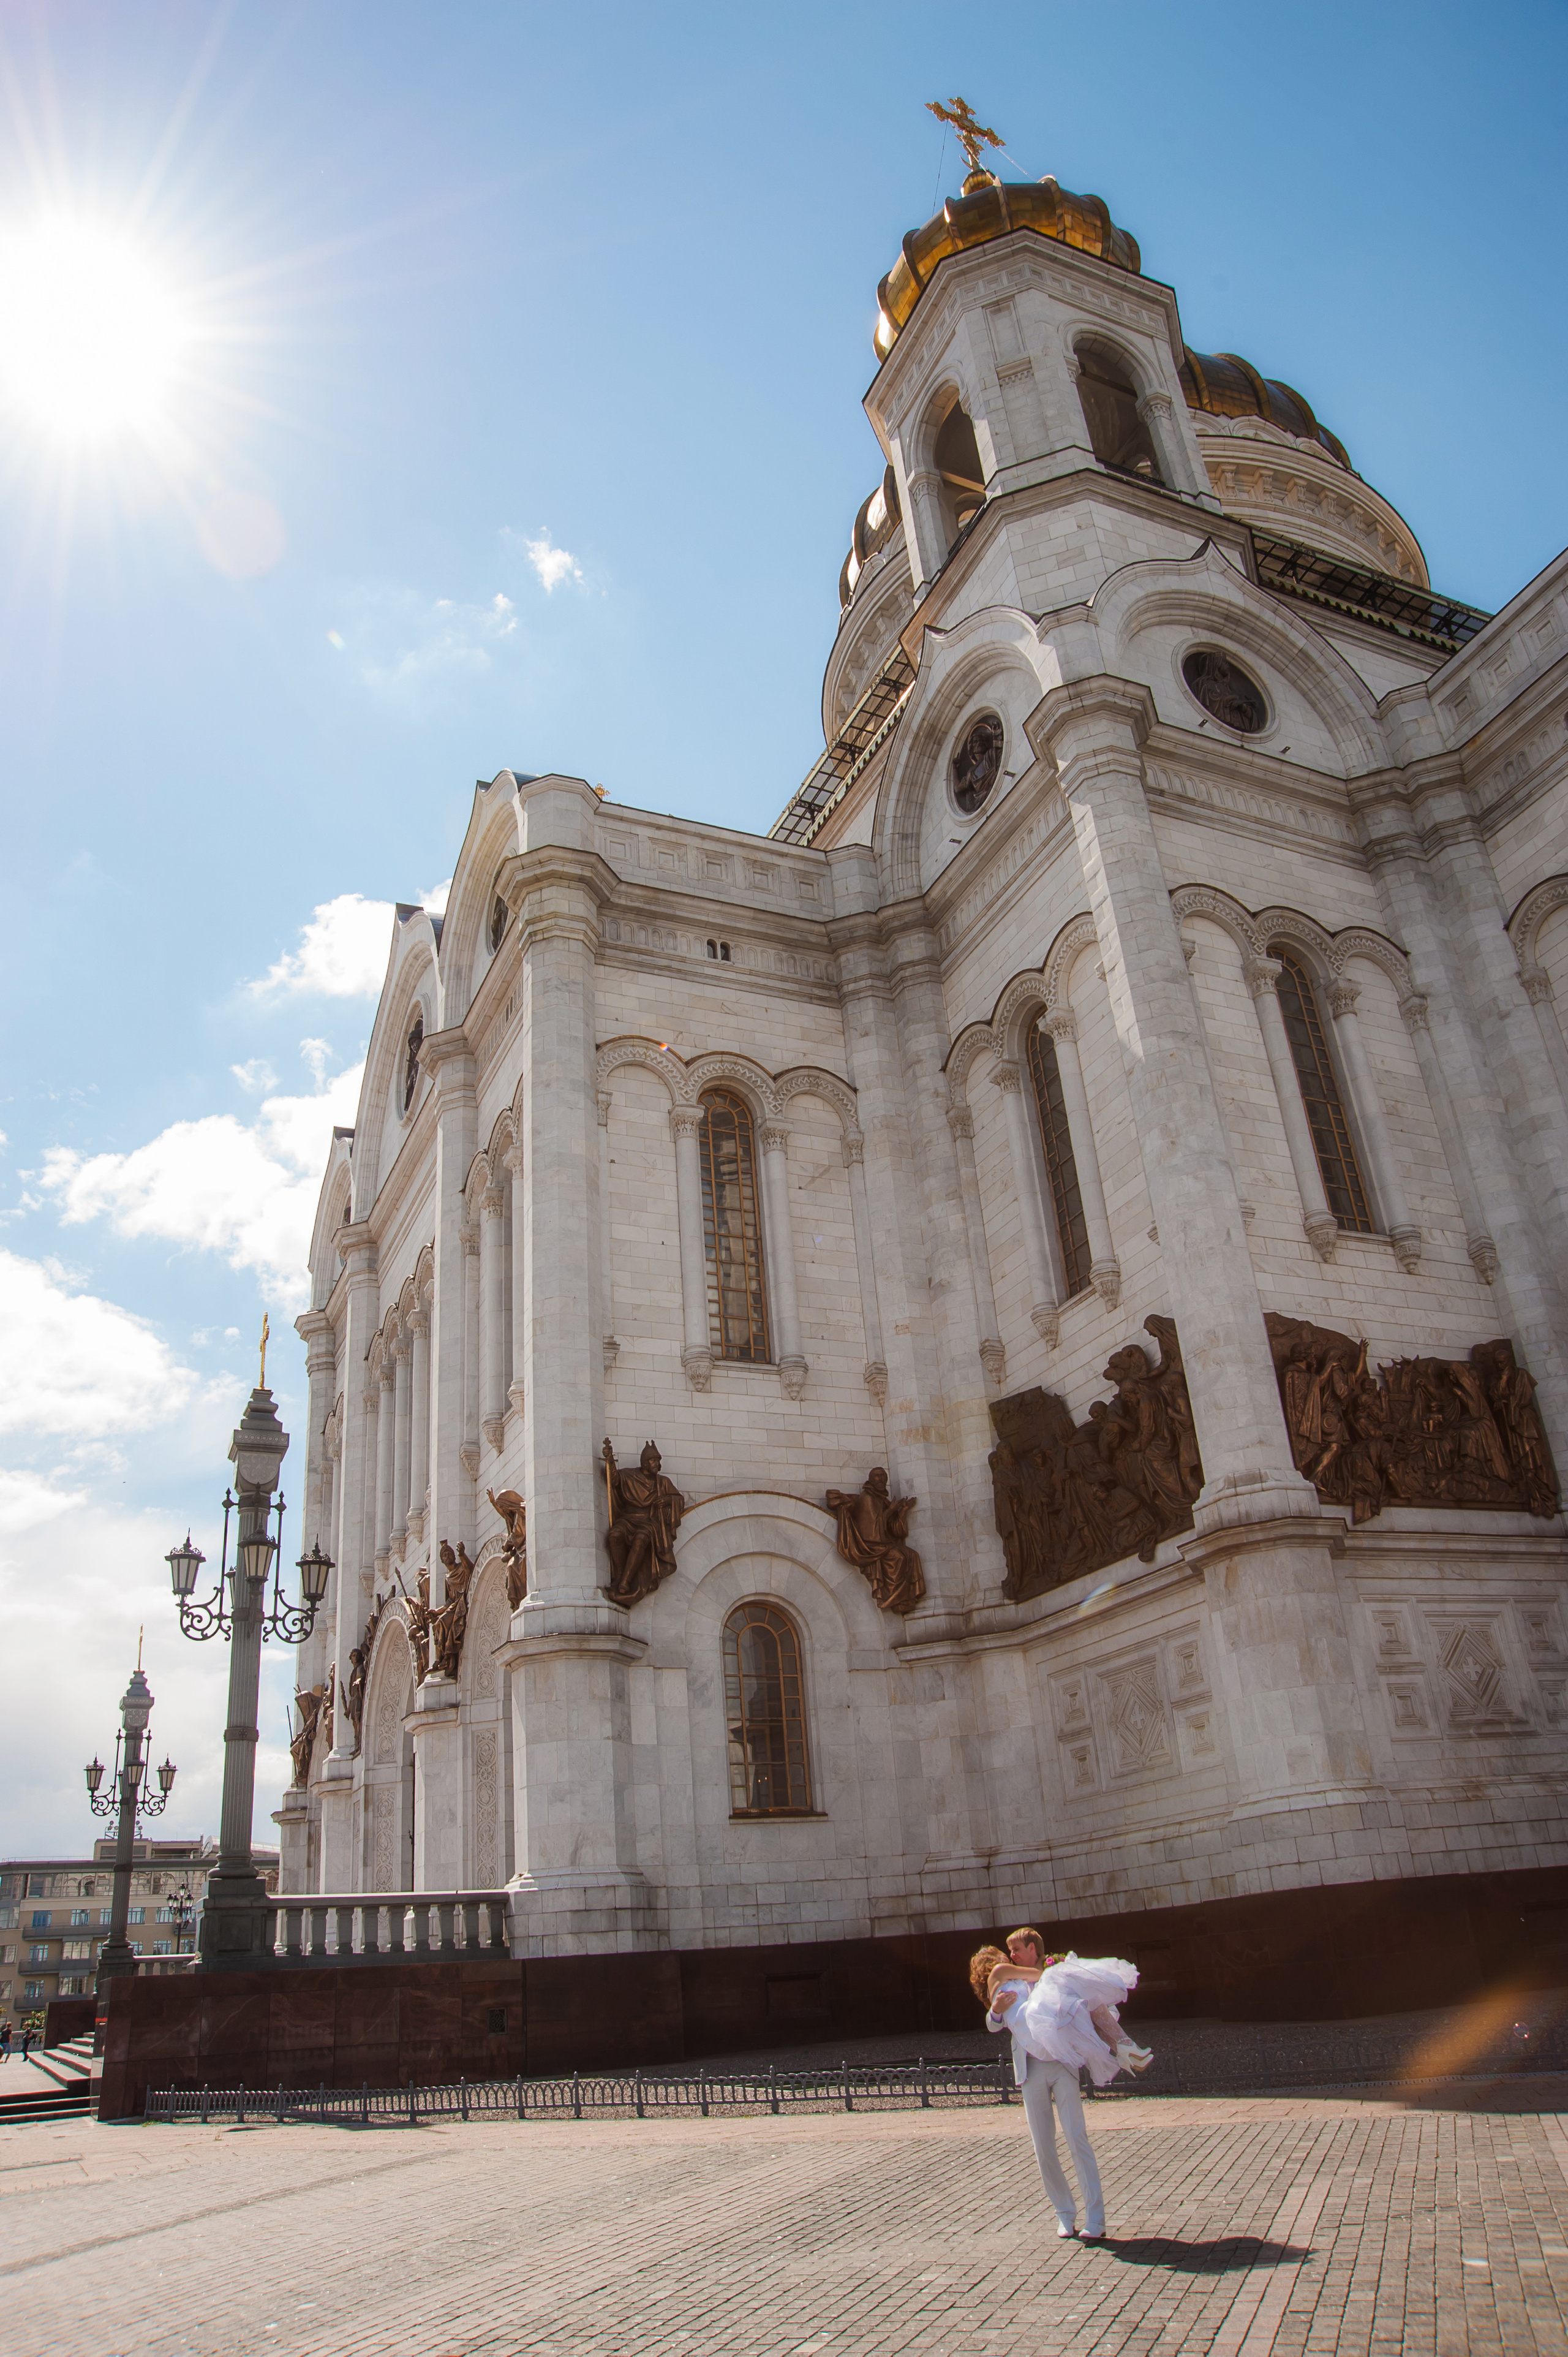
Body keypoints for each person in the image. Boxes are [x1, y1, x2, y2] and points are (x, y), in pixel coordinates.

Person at [971, 1926, 1152, 2243]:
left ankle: (1095, 2218)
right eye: (1004, 1953)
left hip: (1060, 2062)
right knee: (1044, 2147)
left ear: (1029, 1949)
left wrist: (1052, 1969)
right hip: (1031, 2069)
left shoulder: (1037, 1974)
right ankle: (1065, 2213)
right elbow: (993, 2022)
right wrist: (995, 2012)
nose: (1008, 1955)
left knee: (1076, 2137)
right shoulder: (1004, 1982)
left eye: (1013, 1950)